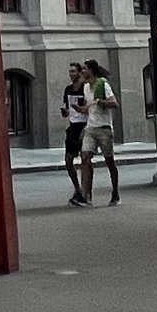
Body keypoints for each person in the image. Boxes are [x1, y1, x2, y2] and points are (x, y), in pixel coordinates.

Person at [84, 59, 122, 203]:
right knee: (85, 157)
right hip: (90, 127)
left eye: (85, 69)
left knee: (109, 161)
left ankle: (115, 192)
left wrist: (101, 102)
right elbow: (89, 107)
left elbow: (114, 103)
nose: (83, 71)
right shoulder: (86, 87)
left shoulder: (102, 83)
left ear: (91, 70)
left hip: (104, 128)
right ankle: (87, 195)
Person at [62, 64, 93, 206]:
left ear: (80, 72)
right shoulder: (68, 90)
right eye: (70, 71)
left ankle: (87, 192)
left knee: (85, 160)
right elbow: (69, 108)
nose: (71, 74)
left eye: (73, 71)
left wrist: (82, 110)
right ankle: (78, 189)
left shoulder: (85, 88)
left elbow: (91, 108)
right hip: (73, 126)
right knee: (68, 160)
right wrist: (66, 112)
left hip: (84, 125)